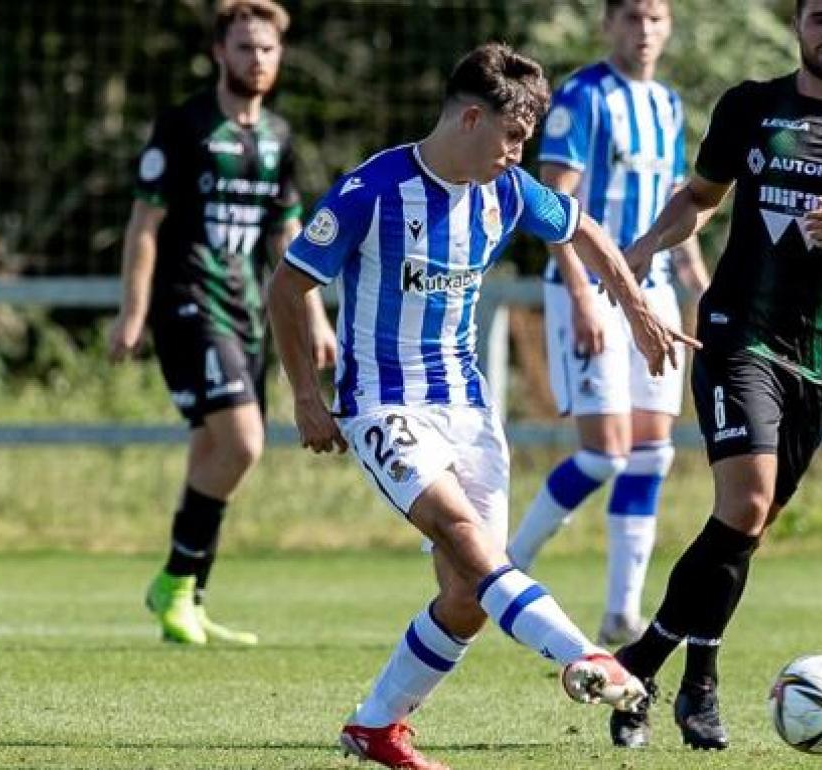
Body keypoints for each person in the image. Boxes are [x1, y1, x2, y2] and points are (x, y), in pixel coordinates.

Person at [266, 43, 700, 770]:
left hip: (466, 406)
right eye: (513, 136)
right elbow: (287, 286)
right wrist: (307, 395)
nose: (518, 152)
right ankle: (583, 655)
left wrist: (635, 308)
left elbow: (586, 230)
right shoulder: (371, 190)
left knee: (466, 595)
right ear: (471, 117)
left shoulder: (507, 191)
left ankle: (376, 726)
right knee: (467, 536)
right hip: (381, 403)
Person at [607, 0, 822, 750]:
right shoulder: (752, 108)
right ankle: (669, 674)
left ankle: (666, 673)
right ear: (798, 26)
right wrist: (643, 249)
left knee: (745, 528)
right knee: (747, 502)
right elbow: (700, 198)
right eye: (820, 18)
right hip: (738, 335)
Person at [108, 0, 336, 646]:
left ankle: (190, 598)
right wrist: (132, 311)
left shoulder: (280, 139)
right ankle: (175, 581)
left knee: (213, 451)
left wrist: (315, 316)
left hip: (247, 312)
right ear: (219, 53)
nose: (256, 60)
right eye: (244, 48)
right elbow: (143, 226)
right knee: (243, 442)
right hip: (186, 304)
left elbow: (288, 238)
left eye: (266, 49)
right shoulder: (184, 126)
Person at [506, 0, 709, 648]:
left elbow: (681, 205)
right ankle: (506, 565)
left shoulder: (668, 106)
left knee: (652, 453)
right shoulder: (582, 97)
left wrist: (696, 278)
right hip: (588, 292)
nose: (644, 30)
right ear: (608, 25)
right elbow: (553, 206)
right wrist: (582, 294)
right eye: (631, 17)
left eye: (655, 18)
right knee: (604, 453)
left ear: (669, 26)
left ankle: (622, 611)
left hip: (654, 296)